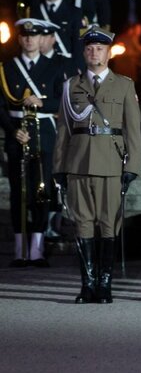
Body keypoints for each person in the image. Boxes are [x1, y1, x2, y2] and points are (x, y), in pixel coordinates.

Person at [53, 25, 141, 304]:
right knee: (83, 224)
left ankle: (105, 285)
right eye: (90, 48)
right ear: (84, 52)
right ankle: (87, 284)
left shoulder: (125, 85)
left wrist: (132, 167)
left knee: (107, 224)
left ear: (108, 52)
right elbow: (64, 131)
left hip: (111, 163)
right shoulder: (71, 86)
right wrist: (59, 167)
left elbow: (133, 131)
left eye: (100, 48)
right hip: (79, 163)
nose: (95, 53)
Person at [0, 19, 64, 267]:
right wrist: (12, 130)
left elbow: (62, 101)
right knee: (18, 193)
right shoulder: (7, 67)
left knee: (42, 190)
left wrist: (42, 103)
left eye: (34, 35)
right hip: (17, 135)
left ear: (41, 39)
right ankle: (19, 250)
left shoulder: (55, 65)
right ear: (19, 39)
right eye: (25, 36)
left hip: (44, 134)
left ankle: (36, 249)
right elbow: (1, 106)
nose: (29, 39)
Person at [37, 19, 74, 240]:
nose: (39, 41)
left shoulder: (63, 64)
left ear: (52, 39)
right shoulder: (29, 64)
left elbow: (67, 98)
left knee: (57, 176)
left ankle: (54, 222)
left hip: (58, 125)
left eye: (44, 36)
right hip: (39, 126)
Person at [31, 0, 85, 72]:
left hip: (66, 67)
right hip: (42, 67)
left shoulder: (74, 12)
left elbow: (79, 45)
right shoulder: (35, 13)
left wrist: (80, 70)